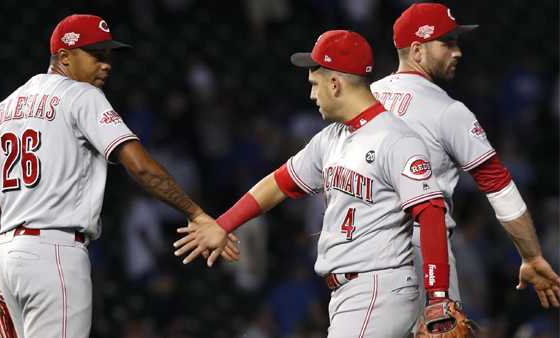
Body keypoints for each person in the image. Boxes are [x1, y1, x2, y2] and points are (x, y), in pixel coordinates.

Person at [0, 14, 237, 338]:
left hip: (11, 256)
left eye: (108, 56)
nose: (106, 64)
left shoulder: (4, 109)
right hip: (56, 252)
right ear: (64, 57)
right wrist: (195, 213)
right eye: (95, 55)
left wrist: (5, 260)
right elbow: (140, 166)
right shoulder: (81, 95)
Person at [174, 30, 453, 337]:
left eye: (314, 84)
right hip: (352, 293)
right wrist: (223, 224)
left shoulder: (396, 140)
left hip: (378, 289)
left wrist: (437, 296)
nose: (311, 95)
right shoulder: (330, 140)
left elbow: (430, 212)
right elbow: (278, 184)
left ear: (335, 84)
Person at [369, 2, 560, 312]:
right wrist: (532, 256)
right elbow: (497, 185)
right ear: (417, 51)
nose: (457, 52)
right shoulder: (448, 111)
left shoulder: (365, 98)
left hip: (360, 257)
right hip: (422, 255)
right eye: (447, 43)